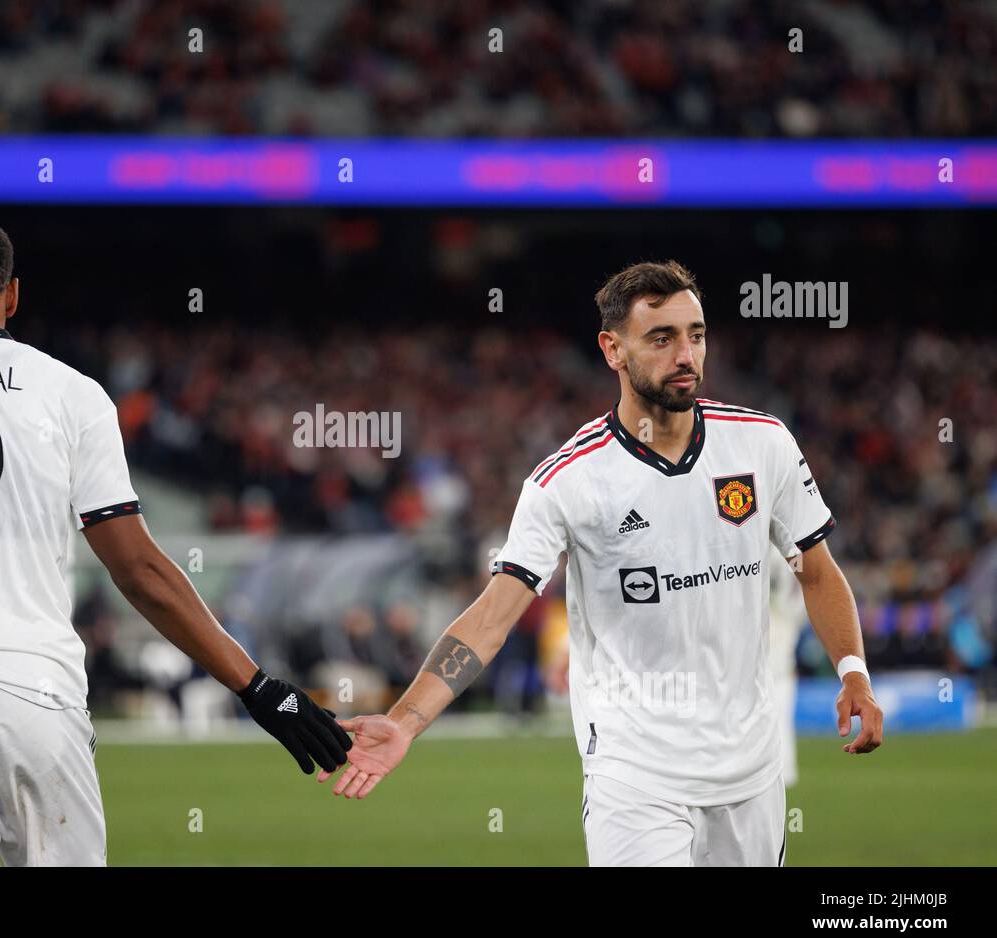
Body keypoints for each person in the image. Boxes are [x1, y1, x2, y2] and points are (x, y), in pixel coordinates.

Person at [0, 216, 349, 866]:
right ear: (12, 296)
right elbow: (139, 569)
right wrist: (255, 685)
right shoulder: (73, 395)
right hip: (37, 692)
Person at [320, 260, 884, 867]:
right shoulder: (568, 480)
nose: (686, 355)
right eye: (661, 338)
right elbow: (491, 620)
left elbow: (817, 571)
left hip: (750, 771)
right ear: (612, 349)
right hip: (634, 776)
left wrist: (853, 672)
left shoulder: (762, 443)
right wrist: (405, 722)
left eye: (695, 334)